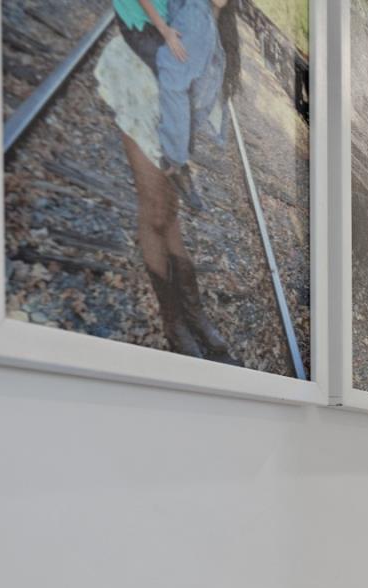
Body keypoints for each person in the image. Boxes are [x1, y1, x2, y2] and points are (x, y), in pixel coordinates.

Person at [98, 0, 241, 362]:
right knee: (156, 210)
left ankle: (193, 314)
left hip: (173, 103)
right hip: (140, 86)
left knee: (170, 209)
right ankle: (173, 322)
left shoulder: (216, 19)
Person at [113, 0, 230, 211]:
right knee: (176, 84)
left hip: (163, 14)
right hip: (143, 25)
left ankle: (178, 156)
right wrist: (164, 30)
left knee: (189, 82)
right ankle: (173, 160)